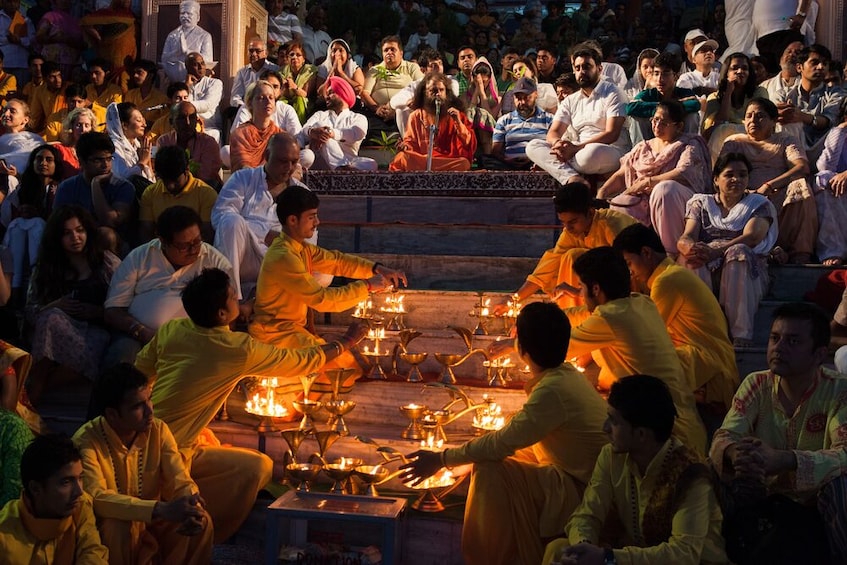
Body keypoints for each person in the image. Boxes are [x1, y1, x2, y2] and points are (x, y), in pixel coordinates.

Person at [136, 267, 367, 541]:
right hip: (168, 449)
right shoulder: (236, 348)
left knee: (211, 441)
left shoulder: (172, 328)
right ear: (222, 314)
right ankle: (202, 530)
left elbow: (140, 373)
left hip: (145, 435)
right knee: (258, 467)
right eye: (235, 298)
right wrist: (346, 341)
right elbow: (299, 361)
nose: (242, 302)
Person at [400, 302, 609, 565]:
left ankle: (486, 559)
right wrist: (465, 460)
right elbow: (521, 438)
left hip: (582, 491)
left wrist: (442, 459)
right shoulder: (566, 376)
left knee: (490, 469)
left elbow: (501, 443)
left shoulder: (553, 390)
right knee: (499, 453)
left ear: (521, 349)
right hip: (576, 477)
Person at [710, 303, 847, 564]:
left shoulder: (839, 391)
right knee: (710, 470)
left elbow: (844, 453)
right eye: (775, 338)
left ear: (819, 354)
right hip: (762, 493)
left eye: (793, 341)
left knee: (842, 486)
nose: (778, 348)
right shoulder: (756, 383)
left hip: (815, 502)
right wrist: (735, 453)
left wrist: (786, 460)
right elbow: (726, 434)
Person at [543, 375, 728, 565]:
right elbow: (587, 515)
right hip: (635, 558)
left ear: (641, 434)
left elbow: (683, 554)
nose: (604, 428)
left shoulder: (692, 476)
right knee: (558, 549)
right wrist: (582, 550)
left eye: (613, 421)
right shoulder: (612, 456)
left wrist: (606, 559)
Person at [249, 186, 405, 396]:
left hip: (292, 331)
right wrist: (367, 286)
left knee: (349, 363)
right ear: (293, 220)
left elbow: (337, 261)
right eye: (312, 217)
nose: (317, 222)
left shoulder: (301, 249)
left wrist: (376, 268)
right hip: (274, 335)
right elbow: (323, 300)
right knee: (342, 372)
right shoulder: (283, 256)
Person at [73, 364, 213, 565]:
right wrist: (158, 509)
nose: (150, 411)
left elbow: (179, 478)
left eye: (149, 399)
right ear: (112, 414)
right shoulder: (85, 441)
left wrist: (190, 502)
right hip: (111, 530)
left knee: (202, 520)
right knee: (116, 526)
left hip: (155, 523)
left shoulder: (158, 430)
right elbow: (96, 498)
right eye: (137, 406)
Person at [612, 224, 738, 417]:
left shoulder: (667, 280)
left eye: (629, 263)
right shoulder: (668, 274)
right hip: (708, 361)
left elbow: (647, 336)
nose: (629, 272)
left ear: (646, 252)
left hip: (711, 367)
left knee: (634, 360)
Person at [103, 206, 232, 366]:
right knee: (122, 356)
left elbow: (230, 309)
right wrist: (141, 331)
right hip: (139, 336)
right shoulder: (139, 257)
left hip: (197, 338)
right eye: (184, 246)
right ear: (163, 241)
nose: (193, 250)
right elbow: (113, 309)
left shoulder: (215, 261)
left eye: (197, 241)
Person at [678, 152, 778, 347]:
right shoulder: (701, 203)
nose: (736, 179)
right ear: (716, 179)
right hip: (707, 266)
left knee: (738, 251)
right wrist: (688, 246)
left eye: (742, 175)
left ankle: (739, 334)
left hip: (746, 273)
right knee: (692, 257)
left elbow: (752, 237)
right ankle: (704, 332)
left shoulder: (759, 204)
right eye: (729, 174)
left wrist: (716, 251)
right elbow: (688, 234)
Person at [24, 205, 119, 407]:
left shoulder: (105, 262)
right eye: (67, 233)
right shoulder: (46, 268)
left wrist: (99, 312)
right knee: (51, 318)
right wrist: (55, 305)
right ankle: (34, 392)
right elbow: (31, 311)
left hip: (96, 332)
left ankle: (31, 392)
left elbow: (126, 301)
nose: (75, 238)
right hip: (56, 331)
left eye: (80, 231)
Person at [496, 183, 636, 311]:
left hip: (626, 293)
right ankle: (571, 316)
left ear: (591, 212)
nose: (568, 228)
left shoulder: (611, 225)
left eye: (573, 221)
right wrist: (514, 299)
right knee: (565, 258)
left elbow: (627, 271)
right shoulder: (571, 233)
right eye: (563, 222)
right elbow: (547, 268)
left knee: (573, 256)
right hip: (595, 293)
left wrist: (577, 292)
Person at [600, 100, 712, 255]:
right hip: (646, 200)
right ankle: (632, 256)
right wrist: (602, 193)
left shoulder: (689, 144)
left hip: (678, 200)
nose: (657, 125)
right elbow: (623, 173)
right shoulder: (644, 146)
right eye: (655, 120)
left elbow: (683, 171)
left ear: (678, 126)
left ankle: (670, 253)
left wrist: (649, 181)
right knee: (621, 202)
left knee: (664, 189)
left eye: (664, 123)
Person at [211, 132, 310, 301]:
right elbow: (220, 215)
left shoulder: (302, 193)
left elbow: (308, 240)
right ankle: (231, 300)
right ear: (267, 156)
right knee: (231, 222)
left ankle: (255, 295)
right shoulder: (242, 178)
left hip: (281, 262)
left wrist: (279, 241)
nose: (289, 167)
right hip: (244, 259)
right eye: (283, 161)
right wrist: (265, 234)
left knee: (322, 272)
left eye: (294, 162)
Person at [720, 97, 815, 264]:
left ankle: (800, 255)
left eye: (760, 116)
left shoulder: (785, 140)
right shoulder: (735, 142)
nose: (753, 120)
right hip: (743, 197)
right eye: (749, 116)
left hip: (778, 195)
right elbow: (722, 173)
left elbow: (801, 168)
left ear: (773, 121)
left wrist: (769, 186)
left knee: (800, 186)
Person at [526, 47, 629, 187]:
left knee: (590, 155)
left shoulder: (613, 93)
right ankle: (573, 178)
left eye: (587, 67)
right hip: (576, 151)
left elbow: (612, 134)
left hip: (608, 150)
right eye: (578, 68)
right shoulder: (571, 100)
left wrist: (574, 148)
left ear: (599, 69)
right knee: (533, 146)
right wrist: (559, 144)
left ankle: (557, 166)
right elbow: (554, 132)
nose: (582, 72)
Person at [0, 433, 109, 563]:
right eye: (66, 482)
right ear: (35, 488)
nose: (79, 491)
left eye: (80, 478)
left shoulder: (80, 505)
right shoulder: (5, 534)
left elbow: (93, 553)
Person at [53, 131, 137, 253]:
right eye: (98, 160)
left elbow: (111, 221)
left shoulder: (123, 186)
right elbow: (57, 223)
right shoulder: (66, 187)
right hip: (75, 238)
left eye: (109, 159)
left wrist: (95, 185)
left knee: (106, 234)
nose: (106, 165)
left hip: (114, 248)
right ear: (81, 161)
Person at [1, 144, 62, 291]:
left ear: (56, 164)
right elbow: (10, 217)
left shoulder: (61, 188)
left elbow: (60, 219)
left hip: (49, 238)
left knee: (37, 224)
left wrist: (37, 215)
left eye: (49, 160)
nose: (43, 163)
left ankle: (32, 285)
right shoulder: (22, 188)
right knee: (18, 226)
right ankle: (16, 289)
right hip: (20, 238)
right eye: (39, 159)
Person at [389, 72, 476, 171]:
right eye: (433, 91)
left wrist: (458, 122)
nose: (438, 94)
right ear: (425, 93)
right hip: (423, 160)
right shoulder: (416, 116)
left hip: (447, 160)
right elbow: (410, 143)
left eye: (441, 90)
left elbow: (468, 143)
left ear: (446, 93)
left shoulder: (456, 115)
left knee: (464, 163)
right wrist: (405, 147)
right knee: (402, 158)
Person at [773, 44, 843, 162]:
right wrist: (782, 114)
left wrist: (802, 117)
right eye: (814, 62)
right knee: (787, 123)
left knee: (840, 130)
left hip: (821, 150)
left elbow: (828, 121)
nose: (820, 67)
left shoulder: (836, 93)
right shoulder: (783, 94)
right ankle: (796, 165)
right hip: (789, 151)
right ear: (799, 67)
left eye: (825, 63)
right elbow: (778, 115)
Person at [138, 145, 217, 243]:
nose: (170, 186)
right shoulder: (150, 194)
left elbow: (207, 236)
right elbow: (146, 234)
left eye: (175, 180)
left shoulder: (207, 194)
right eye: (165, 180)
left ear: (187, 170)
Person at [299, 76, 376, 171]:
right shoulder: (320, 115)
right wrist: (312, 132)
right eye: (327, 94)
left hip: (349, 161)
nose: (327, 97)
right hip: (319, 161)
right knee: (320, 126)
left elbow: (356, 133)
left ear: (342, 93)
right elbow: (303, 131)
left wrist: (332, 133)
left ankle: (343, 167)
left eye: (331, 93)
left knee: (371, 163)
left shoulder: (358, 118)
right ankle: (340, 168)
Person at [625, 53, 701, 143]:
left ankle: (689, 149)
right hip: (652, 139)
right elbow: (631, 107)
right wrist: (663, 108)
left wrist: (667, 110)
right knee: (636, 118)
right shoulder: (649, 94)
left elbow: (695, 104)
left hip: (677, 138)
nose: (660, 79)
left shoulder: (684, 93)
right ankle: (642, 153)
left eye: (665, 74)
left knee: (692, 116)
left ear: (676, 76)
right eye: (656, 74)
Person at [702, 52, 769, 155]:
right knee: (722, 129)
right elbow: (712, 130)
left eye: (745, 68)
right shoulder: (714, 98)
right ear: (726, 73)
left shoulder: (759, 92)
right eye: (734, 68)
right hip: (723, 144)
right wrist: (728, 92)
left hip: (753, 138)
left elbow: (762, 123)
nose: (740, 71)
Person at [485, 77, 553, 171]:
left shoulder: (549, 119)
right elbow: (495, 151)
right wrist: (508, 160)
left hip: (539, 164)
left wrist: (533, 160)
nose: (522, 102)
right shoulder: (504, 120)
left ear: (536, 95)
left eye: (527, 97)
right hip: (509, 165)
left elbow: (553, 148)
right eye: (518, 98)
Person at [155, 101, 223, 190]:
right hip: (172, 190)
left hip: (201, 190)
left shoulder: (208, 142)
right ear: (171, 122)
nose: (187, 123)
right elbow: (162, 173)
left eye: (192, 118)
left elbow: (207, 175)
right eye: (182, 118)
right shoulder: (164, 141)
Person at [361, 35, 423, 131]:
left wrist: (396, 111)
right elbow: (365, 93)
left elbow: (422, 86)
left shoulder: (412, 67)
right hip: (379, 115)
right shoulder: (375, 70)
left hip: (406, 112)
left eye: (393, 49)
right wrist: (377, 108)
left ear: (401, 53)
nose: (389, 52)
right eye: (386, 50)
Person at [814, 104, 847, 265]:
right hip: (842, 191)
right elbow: (824, 167)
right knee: (825, 179)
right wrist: (840, 130)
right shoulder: (840, 134)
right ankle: (834, 250)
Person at [229, 81, 284, 171]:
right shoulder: (240, 134)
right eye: (261, 98)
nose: (268, 101)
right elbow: (242, 164)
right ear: (250, 103)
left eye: (271, 97)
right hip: (248, 182)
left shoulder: (280, 135)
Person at [79, 0, 137, 79]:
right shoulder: (107, 14)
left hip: (125, 65)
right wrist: (98, 37)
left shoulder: (133, 17)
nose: (127, 2)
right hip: (107, 59)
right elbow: (84, 22)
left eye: (129, 0)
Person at [160, 0, 213, 83]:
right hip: (174, 78)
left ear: (198, 17)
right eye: (182, 13)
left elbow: (208, 60)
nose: (185, 16)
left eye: (189, 14)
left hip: (196, 80)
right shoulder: (172, 35)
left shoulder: (205, 36)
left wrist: (187, 52)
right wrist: (177, 52)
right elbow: (164, 59)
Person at [105, 102, 154, 185]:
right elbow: (122, 177)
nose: (144, 125)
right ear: (124, 125)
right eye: (139, 120)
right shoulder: (114, 146)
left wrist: (148, 161)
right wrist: (142, 162)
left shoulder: (137, 145)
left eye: (143, 121)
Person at [35, 0, 82, 80]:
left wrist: (69, 40)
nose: (64, 1)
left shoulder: (75, 20)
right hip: (52, 62)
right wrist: (56, 38)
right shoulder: (49, 17)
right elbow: (39, 37)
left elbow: (83, 43)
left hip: (71, 63)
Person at [183, 52, 222, 142]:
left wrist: (185, 105)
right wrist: (186, 87)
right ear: (188, 68)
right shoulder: (183, 85)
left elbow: (207, 105)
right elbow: (178, 107)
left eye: (202, 63)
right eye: (196, 65)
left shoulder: (215, 83)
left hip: (209, 128)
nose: (201, 67)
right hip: (187, 129)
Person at [230, 38, 278, 108]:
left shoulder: (275, 70)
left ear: (266, 53)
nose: (253, 54)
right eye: (251, 51)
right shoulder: (242, 73)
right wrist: (246, 108)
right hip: (247, 110)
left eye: (258, 51)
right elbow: (235, 97)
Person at [0, 99, 46, 172]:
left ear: (25, 120)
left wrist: (17, 175)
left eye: (12, 111)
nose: (6, 114)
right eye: (4, 110)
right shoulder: (1, 139)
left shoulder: (35, 140)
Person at [278, 40, 317, 124]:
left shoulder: (310, 70)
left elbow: (305, 94)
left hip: (304, 103)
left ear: (303, 59)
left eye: (298, 55)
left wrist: (294, 87)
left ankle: (300, 129)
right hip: (288, 99)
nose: (294, 57)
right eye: (291, 55)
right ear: (288, 58)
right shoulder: (283, 70)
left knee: (299, 99)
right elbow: (283, 94)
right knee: (280, 102)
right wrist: (286, 87)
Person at [316, 38, 364, 103]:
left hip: (350, 103)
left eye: (341, 50)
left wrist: (341, 73)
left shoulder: (354, 68)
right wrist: (332, 71)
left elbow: (359, 90)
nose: (337, 54)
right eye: (334, 50)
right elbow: (320, 93)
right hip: (328, 102)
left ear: (347, 55)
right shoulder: (323, 68)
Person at [123, 59, 169, 127]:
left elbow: (164, 124)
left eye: (139, 73)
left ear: (150, 76)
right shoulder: (130, 94)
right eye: (135, 72)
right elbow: (124, 116)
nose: (135, 75)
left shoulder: (161, 98)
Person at [53, 107, 96, 177]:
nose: (83, 129)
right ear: (71, 127)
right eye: (79, 125)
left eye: (87, 125)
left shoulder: (96, 152)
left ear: (91, 128)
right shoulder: (60, 150)